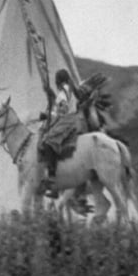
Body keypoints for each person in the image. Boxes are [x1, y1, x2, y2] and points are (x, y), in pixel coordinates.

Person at [36, 68, 82, 198]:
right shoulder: (70, 90)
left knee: (48, 140)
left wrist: (46, 115)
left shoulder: (63, 94)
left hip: (67, 120)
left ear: (59, 82)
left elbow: (62, 112)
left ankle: (52, 178)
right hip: (72, 118)